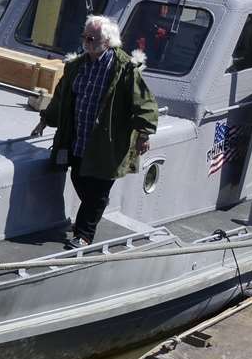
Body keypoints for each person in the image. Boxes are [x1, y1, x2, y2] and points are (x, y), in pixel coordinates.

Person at [28, 14, 158, 249]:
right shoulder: (76, 66)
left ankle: (84, 234)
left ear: (107, 42)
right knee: (79, 179)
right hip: (78, 139)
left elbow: (144, 102)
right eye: (84, 37)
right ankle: (92, 212)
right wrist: (45, 120)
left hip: (107, 143)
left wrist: (144, 134)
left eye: (92, 38)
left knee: (97, 189)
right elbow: (61, 98)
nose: (86, 42)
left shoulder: (125, 68)